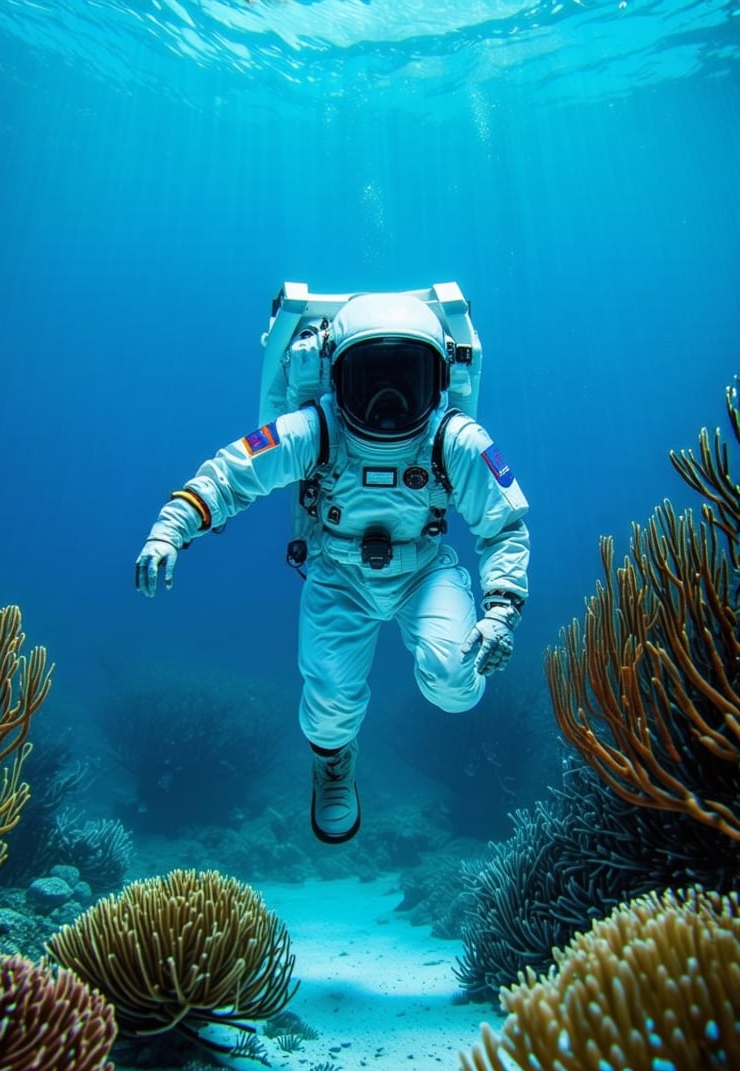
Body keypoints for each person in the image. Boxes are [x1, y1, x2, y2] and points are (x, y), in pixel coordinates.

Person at [135, 290, 529, 845]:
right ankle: (334, 763)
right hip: (338, 573)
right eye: (371, 379)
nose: (388, 401)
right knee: (327, 703)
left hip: (425, 570)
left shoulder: (455, 438)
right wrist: (171, 527)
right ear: (337, 376)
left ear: (438, 380)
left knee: (455, 683)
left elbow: (504, 526)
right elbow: (230, 474)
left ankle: (442, 671)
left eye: (406, 377)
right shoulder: (313, 429)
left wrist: (500, 612)